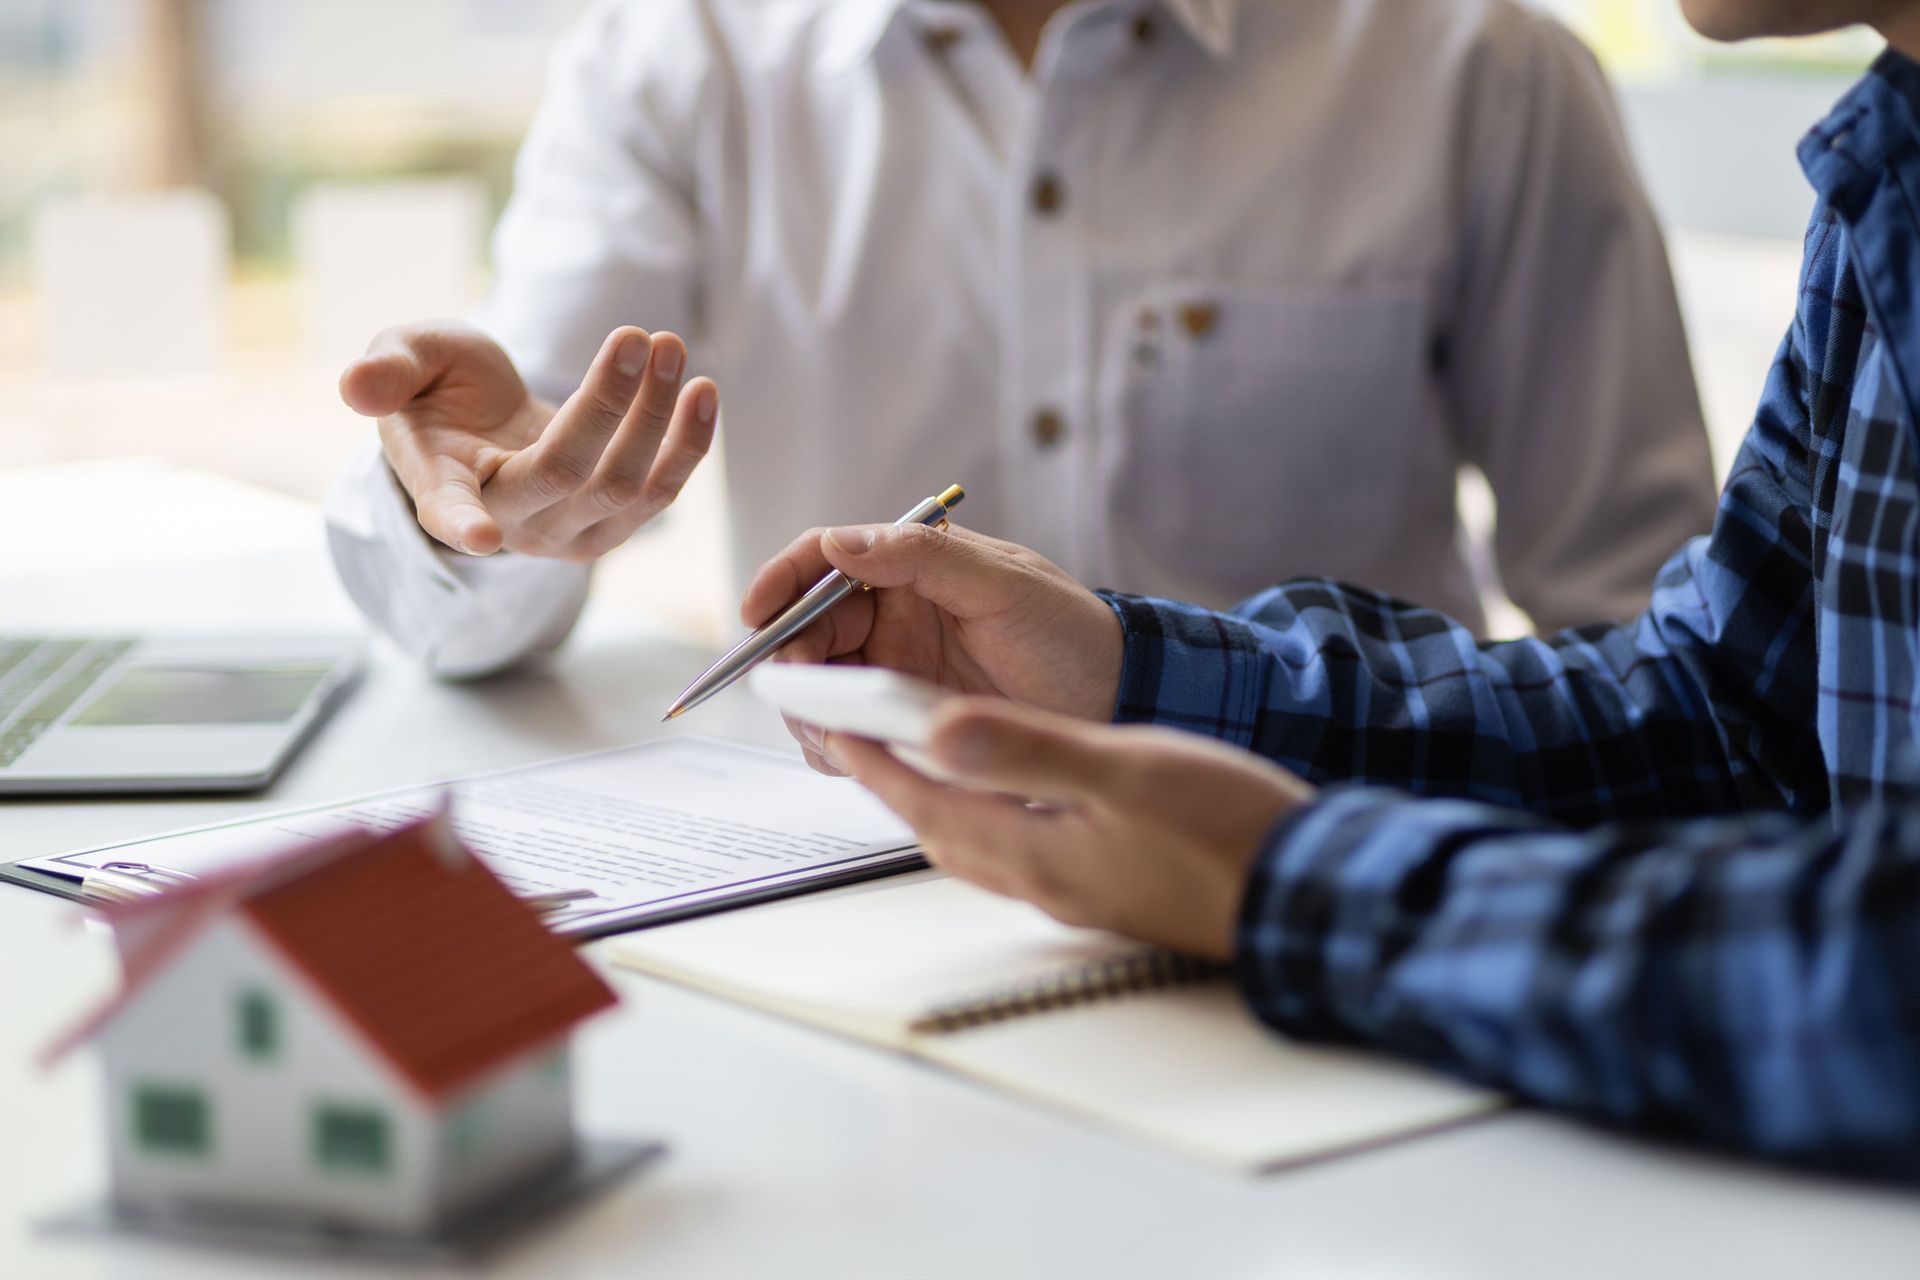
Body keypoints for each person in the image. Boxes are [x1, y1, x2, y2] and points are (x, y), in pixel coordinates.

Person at [739, 8, 1920, 1180]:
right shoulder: (1887, 180)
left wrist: (1288, 879)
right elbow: (1719, 715)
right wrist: (1127, 670)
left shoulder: (1488, 61)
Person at [325, 0, 1715, 677]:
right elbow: (513, 557)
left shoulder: (1480, 64)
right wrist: (474, 516)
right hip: (834, 907)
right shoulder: (678, 54)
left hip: (1326, 890)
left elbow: (1660, 640)